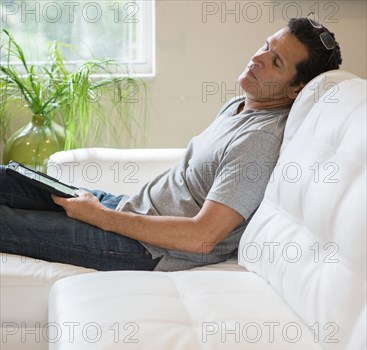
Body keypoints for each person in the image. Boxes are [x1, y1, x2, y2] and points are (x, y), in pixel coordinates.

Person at [0, 16, 342, 272]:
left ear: (296, 89)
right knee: (8, 179)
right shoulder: (242, 104)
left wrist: (100, 217)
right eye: (266, 46)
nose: (258, 58)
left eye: (276, 61)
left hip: (143, 248)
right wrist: (105, 211)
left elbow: (203, 236)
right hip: (127, 209)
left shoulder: (259, 142)